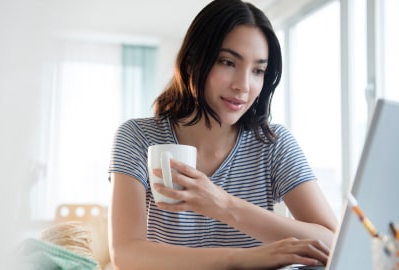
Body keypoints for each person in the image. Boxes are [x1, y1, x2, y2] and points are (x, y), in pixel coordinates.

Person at [108, 0, 338, 269]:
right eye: (228, 62)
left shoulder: (273, 144)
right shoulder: (138, 137)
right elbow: (126, 254)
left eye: (258, 71)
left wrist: (224, 205)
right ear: (193, 60)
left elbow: (334, 242)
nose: (243, 85)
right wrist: (241, 259)